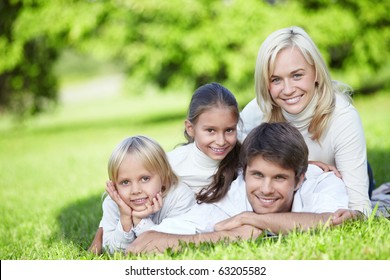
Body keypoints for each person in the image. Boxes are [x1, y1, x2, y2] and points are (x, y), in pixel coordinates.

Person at [125, 122, 350, 254]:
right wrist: (230, 236)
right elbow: (142, 244)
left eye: (279, 178)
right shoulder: (233, 195)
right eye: (257, 175)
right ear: (245, 172)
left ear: (299, 179)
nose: (266, 189)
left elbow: (335, 223)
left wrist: (250, 219)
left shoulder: (323, 181)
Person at [88, 82, 241, 254]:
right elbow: (119, 196)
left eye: (229, 130)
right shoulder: (170, 164)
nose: (220, 141)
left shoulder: (243, 168)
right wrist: (99, 236)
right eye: (211, 131)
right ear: (190, 128)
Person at [239, 26, 372, 217]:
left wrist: (354, 214)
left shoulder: (342, 117)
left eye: (297, 75)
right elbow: (235, 168)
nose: (288, 89)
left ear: (316, 72)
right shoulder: (257, 111)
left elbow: (360, 207)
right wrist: (308, 166)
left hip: (340, 181)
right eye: (276, 80)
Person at [98, 135, 195, 254]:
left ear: (164, 176)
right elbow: (111, 251)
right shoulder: (112, 203)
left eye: (144, 179)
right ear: (115, 185)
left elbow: (172, 245)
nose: (135, 190)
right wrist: (125, 219)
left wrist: (140, 220)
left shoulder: (179, 197)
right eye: (125, 182)